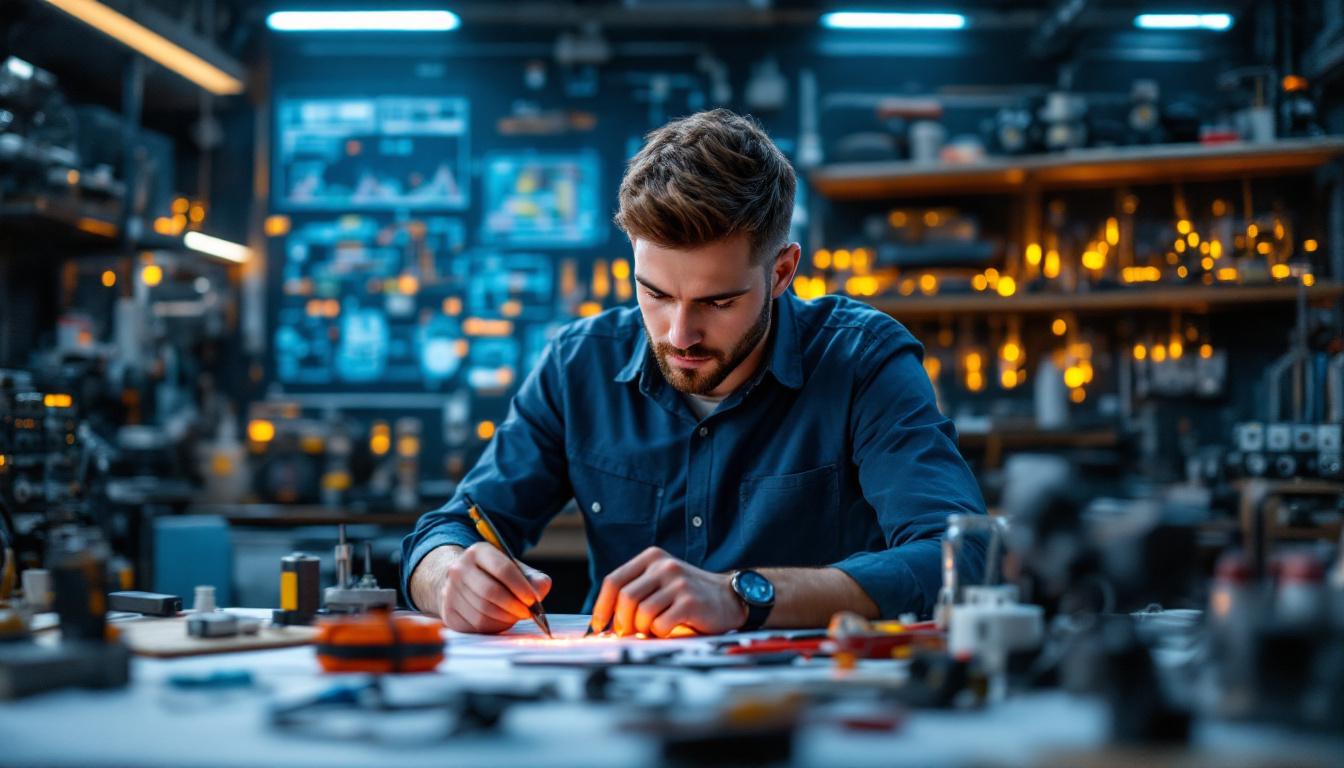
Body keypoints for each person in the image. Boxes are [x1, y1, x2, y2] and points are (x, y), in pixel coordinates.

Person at [403, 108, 986, 638]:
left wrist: (743, 596)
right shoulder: (579, 363)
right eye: (653, 294)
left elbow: (961, 557)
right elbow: (446, 531)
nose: (679, 335)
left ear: (782, 272)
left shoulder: (863, 359)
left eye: (718, 302)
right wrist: (450, 575)